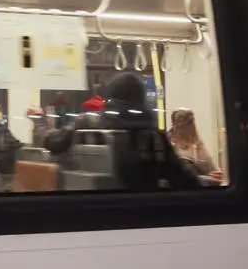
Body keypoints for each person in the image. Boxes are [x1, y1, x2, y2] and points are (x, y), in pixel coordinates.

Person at [46, 73, 200, 190]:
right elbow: (184, 179)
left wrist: (46, 128)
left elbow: (53, 142)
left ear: (111, 95)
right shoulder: (155, 138)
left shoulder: (89, 124)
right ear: (141, 97)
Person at [169, 108, 223, 182]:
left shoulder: (197, 145)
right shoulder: (169, 143)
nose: (184, 130)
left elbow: (212, 170)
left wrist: (215, 175)